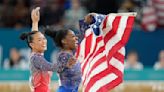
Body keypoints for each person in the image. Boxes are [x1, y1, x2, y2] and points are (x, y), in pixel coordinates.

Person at [44, 12, 105, 92]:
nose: (76, 38)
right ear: (64, 41)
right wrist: (65, 65)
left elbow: (83, 37)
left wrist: (86, 22)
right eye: (72, 36)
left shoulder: (73, 52)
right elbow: (59, 67)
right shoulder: (63, 55)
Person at [20, 7, 75, 92]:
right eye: (40, 40)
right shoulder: (36, 58)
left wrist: (35, 22)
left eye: (44, 38)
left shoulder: (36, 54)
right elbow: (51, 67)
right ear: (32, 45)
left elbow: (33, 37)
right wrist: (66, 64)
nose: (43, 41)